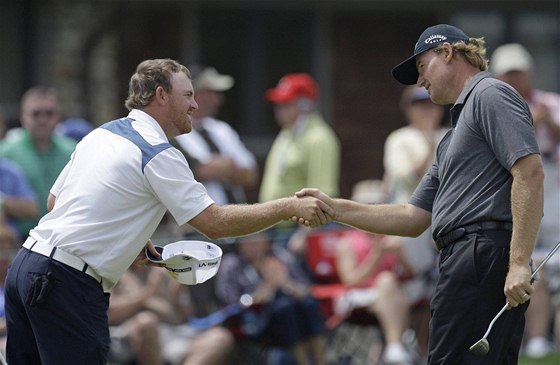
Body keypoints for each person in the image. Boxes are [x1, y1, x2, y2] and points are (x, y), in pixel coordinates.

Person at [4, 58, 332, 365]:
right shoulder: (159, 152)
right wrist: (289, 206)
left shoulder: (101, 133)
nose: (194, 104)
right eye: (187, 95)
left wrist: (130, 237)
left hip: (25, 268)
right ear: (161, 96)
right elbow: (215, 224)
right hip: (66, 284)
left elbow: (55, 204)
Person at [296, 24, 544, 365]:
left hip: (483, 253)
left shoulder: (490, 94)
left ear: (446, 53)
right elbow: (412, 218)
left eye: (422, 68)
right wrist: (333, 207)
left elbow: (529, 172)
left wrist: (517, 263)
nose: (420, 82)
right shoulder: (452, 138)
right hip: (464, 257)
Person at [490, 43, 560, 358]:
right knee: (533, 268)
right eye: (509, 74)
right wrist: (530, 122)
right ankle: (534, 339)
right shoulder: (492, 108)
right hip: (517, 199)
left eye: (519, 73)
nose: (515, 79)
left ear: (529, 73)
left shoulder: (551, 103)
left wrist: (547, 122)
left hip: (555, 197)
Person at [215, 231, 327, 365]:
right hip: (253, 322)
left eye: (258, 240)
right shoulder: (232, 264)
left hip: (292, 316)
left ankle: (321, 362)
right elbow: (231, 304)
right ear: (240, 244)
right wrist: (268, 287)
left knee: (308, 304)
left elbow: (307, 290)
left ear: (267, 242)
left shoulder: (280, 256)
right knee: (285, 308)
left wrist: (285, 282)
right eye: (248, 240)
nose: (253, 245)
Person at [259, 73, 341, 244]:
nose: (278, 109)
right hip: (277, 230)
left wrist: (304, 235)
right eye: (278, 104)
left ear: (305, 105)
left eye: (286, 104)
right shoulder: (287, 133)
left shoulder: (320, 138)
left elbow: (323, 192)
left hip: (297, 233)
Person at [108, 264, 234, 365]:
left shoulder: (164, 269)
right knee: (147, 321)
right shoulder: (113, 270)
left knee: (220, 337)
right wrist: (148, 291)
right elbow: (110, 313)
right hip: (131, 332)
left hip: (174, 334)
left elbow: (187, 317)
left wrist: (177, 298)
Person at [174, 65, 258, 207]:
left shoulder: (221, 129)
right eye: (211, 92)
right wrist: (229, 167)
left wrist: (221, 167)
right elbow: (190, 173)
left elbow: (251, 175)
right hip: (196, 222)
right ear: (192, 94)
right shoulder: (173, 131)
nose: (218, 100)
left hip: (234, 217)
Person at [0, 86, 76, 239]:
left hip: (63, 237)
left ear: (58, 116)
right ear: (23, 117)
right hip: (20, 239)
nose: (43, 120)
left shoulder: (73, 151)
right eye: (36, 114)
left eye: (49, 113)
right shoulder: (6, 151)